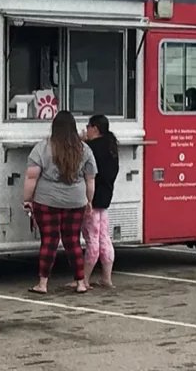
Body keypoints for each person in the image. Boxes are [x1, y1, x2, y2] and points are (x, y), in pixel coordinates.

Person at [22, 110, 97, 294]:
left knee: (49, 241)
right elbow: (90, 179)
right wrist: (89, 200)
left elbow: (31, 177)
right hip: (75, 200)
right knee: (73, 241)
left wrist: (27, 199)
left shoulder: (42, 147)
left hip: (47, 200)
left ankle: (43, 284)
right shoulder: (84, 149)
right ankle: (80, 283)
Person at [77, 114, 120, 289]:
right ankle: (106, 278)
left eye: (88, 126)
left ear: (95, 128)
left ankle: (85, 279)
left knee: (92, 238)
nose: (86, 129)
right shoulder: (111, 146)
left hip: (92, 197)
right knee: (104, 237)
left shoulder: (90, 147)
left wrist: (81, 141)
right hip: (106, 196)